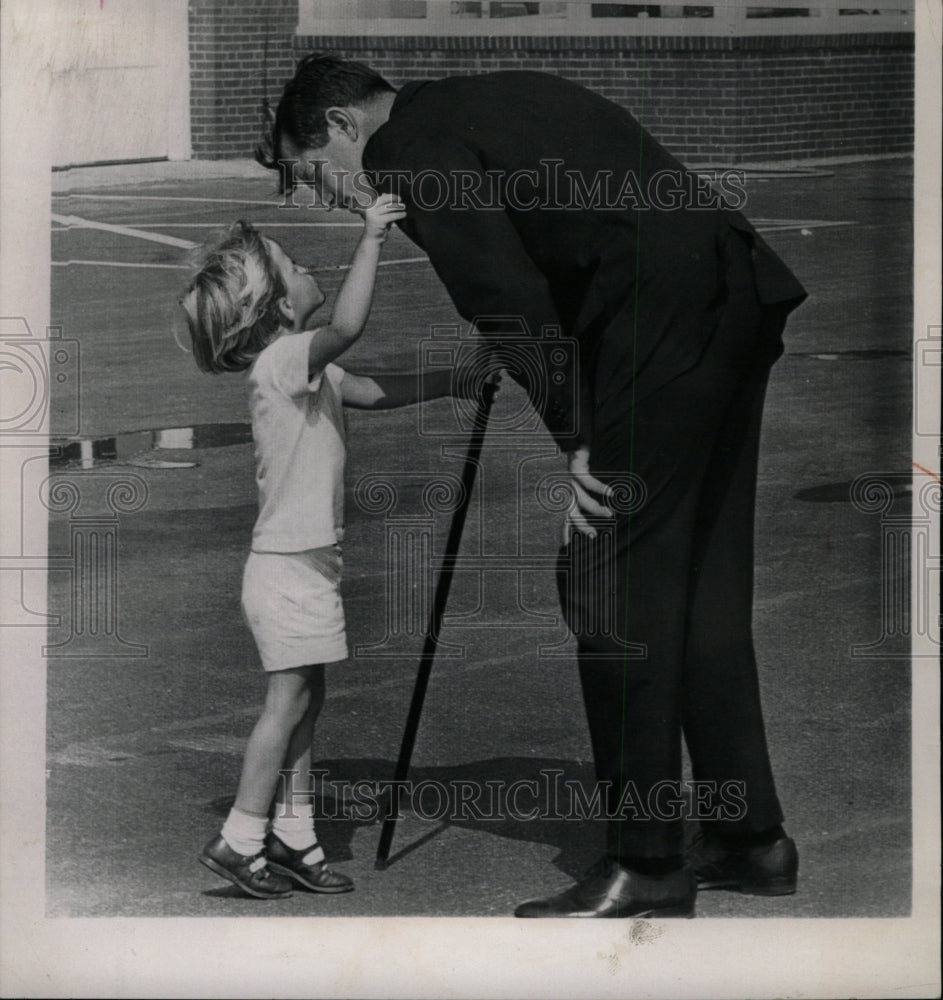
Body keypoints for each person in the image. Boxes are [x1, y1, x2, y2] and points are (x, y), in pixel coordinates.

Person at [259, 55, 807, 918]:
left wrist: (576, 438)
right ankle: (748, 837)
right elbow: (560, 242)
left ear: (340, 126)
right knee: (697, 584)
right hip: (728, 294)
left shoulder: (405, 151)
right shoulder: (474, 99)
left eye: (309, 174)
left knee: (607, 582)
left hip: (659, 323)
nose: (322, 194)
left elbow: (504, 295)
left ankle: (648, 859)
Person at [182, 196, 490, 899]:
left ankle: (293, 837)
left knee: (306, 699)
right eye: (292, 266)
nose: (306, 265)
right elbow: (349, 327)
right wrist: (372, 238)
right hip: (288, 567)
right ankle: (238, 838)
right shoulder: (286, 360)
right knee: (286, 702)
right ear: (277, 309)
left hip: (307, 561)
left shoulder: (299, 368)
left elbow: (376, 391)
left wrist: (457, 380)